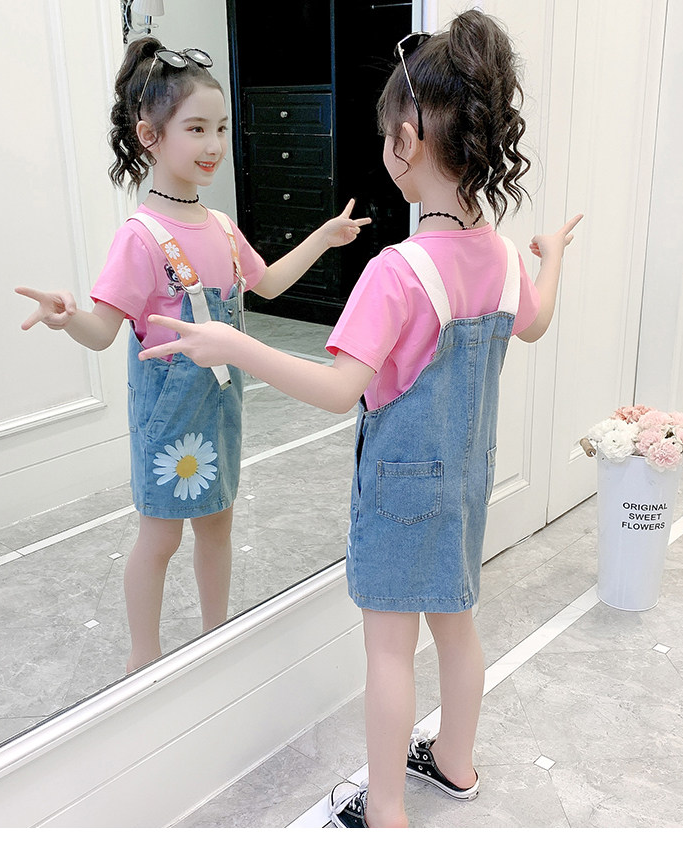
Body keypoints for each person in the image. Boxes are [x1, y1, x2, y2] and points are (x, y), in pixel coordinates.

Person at [137, 11, 582, 827]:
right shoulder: (502, 256)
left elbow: (341, 389)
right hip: (467, 478)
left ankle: (385, 815)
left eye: (385, 136)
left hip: (401, 488)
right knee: (456, 626)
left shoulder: (397, 271)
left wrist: (233, 344)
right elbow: (538, 321)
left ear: (407, 139)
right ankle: (456, 764)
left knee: (388, 649)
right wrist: (550, 258)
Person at [15, 36, 370, 674]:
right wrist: (68, 318)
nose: (213, 144)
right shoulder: (141, 237)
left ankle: (215, 634)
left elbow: (269, 284)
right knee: (159, 537)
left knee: (218, 524)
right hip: (169, 420)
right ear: (150, 136)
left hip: (221, 410)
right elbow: (103, 331)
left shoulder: (223, 227)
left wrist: (323, 236)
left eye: (221, 128)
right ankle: (142, 657)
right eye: (196, 128)